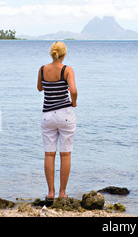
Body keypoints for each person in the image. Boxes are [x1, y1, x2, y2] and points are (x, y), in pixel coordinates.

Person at [37, 41, 77, 201]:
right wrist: (73, 101)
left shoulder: (42, 69)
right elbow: (73, 90)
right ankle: (62, 193)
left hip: (48, 115)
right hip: (65, 114)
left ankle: (50, 193)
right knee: (65, 154)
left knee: (49, 153)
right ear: (64, 54)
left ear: (51, 53)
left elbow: (40, 88)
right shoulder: (67, 70)